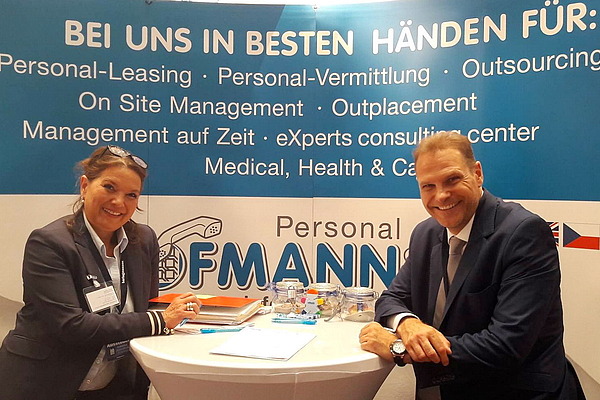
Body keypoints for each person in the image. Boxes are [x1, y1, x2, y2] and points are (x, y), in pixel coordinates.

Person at [359, 132, 585, 399]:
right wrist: (407, 323)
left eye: (452, 179)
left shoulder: (524, 233)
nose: (441, 195)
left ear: (477, 174)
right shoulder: (425, 233)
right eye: (428, 186)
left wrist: (401, 349)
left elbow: (505, 346)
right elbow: (391, 299)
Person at [0, 145, 202, 400]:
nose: (119, 202)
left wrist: (177, 316)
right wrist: (160, 320)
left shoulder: (143, 239)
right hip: (46, 384)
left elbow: (148, 307)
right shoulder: (49, 243)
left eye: (131, 195)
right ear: (85, 186)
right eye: (109, 187)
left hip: (116, 386)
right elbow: (73, 326)